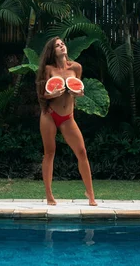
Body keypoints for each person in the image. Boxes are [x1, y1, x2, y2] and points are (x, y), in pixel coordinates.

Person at [35, 36, 97, 206]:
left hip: (67, 117)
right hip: (49, 114)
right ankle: (49, 195)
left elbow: (77, 89)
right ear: (52, 51)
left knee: (82, 152)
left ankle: (90, 194)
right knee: (50, 152)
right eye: (57, 45)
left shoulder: (76, 68)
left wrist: (79, 94)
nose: (62, 46)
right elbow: (42, 93)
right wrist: (51, 95)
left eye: (62, 44)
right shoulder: (48, 69)